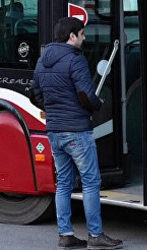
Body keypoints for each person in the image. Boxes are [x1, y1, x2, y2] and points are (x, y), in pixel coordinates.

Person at [30, 17, 123, 250]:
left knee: (63, 182)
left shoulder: (43, 60)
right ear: (71, 36)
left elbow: (35, 95)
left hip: (55, 130)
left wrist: (53, 110)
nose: (84, 38)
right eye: (81, 34)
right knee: (91, 181)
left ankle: (66, 235)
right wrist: (97, 105)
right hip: (77, 130)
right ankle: (95, 235)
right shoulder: (76, 60)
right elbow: (86, 94)